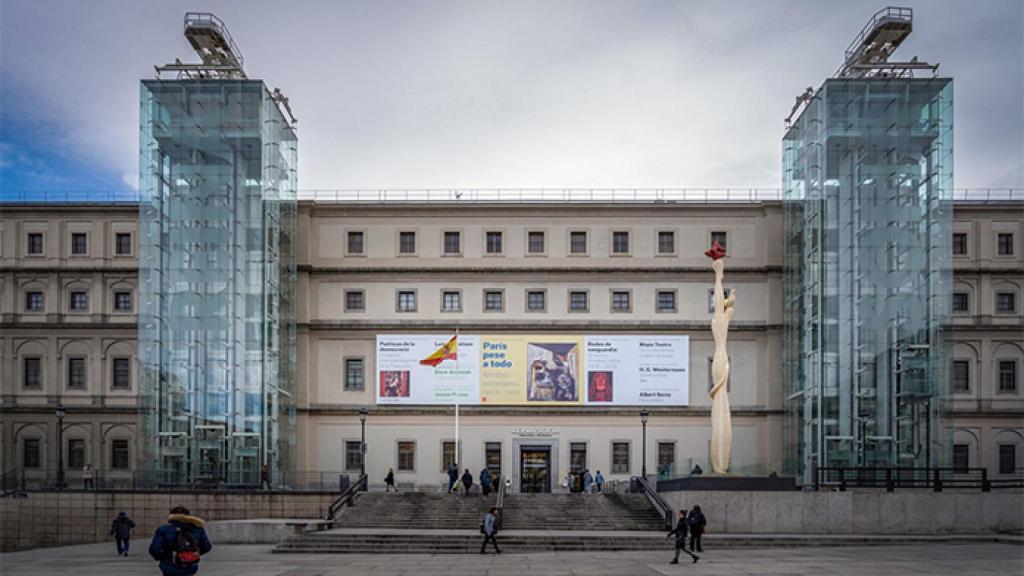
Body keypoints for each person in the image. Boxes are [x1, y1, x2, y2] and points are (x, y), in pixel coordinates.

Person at [149, 506, 212, 576]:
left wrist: (162, 558)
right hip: (190, 565)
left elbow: (154, 549)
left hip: (170, 565)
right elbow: (207, 547)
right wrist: (192, 554)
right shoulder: (197, 529)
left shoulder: (163, 529)